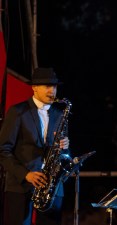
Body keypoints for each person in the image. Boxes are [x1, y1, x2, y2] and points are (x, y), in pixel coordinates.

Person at [0, 68, 70, 225]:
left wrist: (65, 147)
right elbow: (3, 150)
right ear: (34, 87)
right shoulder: (18, 112)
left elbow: (64, 155)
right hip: (21, 186)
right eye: (47, 86)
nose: (52, 90)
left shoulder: (60, 115)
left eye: (54, 86)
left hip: (51, 189)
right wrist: (26, 174)